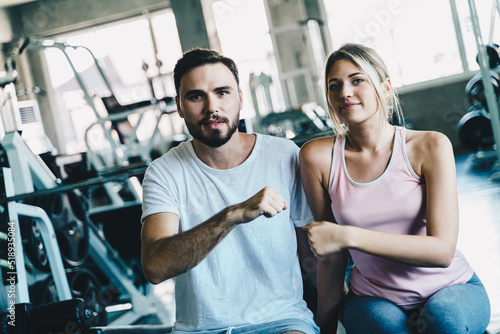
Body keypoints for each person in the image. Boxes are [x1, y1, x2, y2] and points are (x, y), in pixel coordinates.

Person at [299, 43, 491, 333]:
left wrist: (347, 235)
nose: (345, 93)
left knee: (443, 321)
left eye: (357, 80)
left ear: (386, 87)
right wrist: (323, 328)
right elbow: (330, 254)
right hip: (376, 297)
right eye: (334, 86)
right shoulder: (317, 157)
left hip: (450, 286)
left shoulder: (429, 146)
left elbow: (441, 251)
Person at [140, 48, 319, 334]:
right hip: (200, 330)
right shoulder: (164, 172)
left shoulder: (283, 154)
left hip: (282, 321)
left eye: (222, 92)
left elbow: (311, 249)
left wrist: (339, 313)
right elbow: (156, 266)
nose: (212, 107)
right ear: (179, 105)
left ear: (240, 97)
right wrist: (233, 215)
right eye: (196, 96)